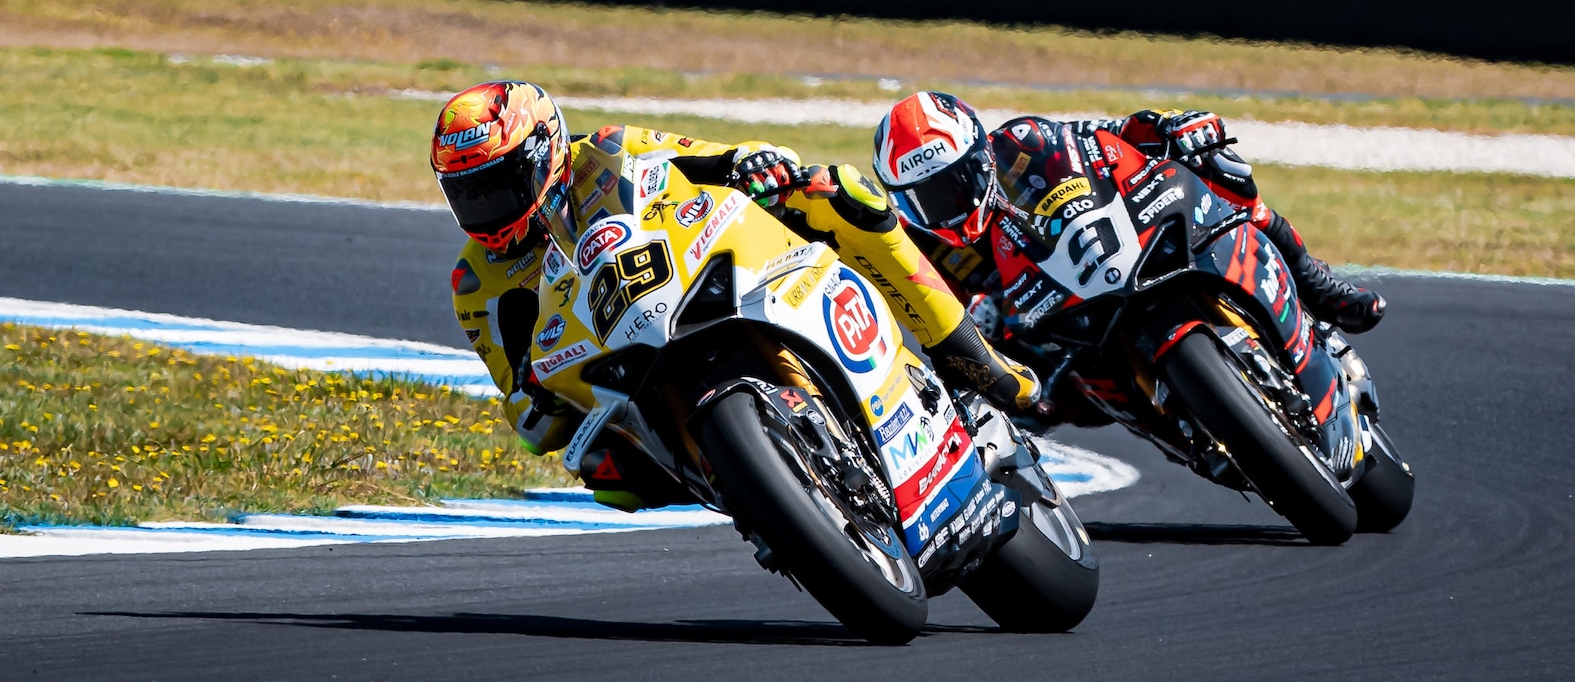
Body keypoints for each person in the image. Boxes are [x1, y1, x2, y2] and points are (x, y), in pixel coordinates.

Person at [431, 80, 1039, 510]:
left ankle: (973, 357)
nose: (485, 209)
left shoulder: (606, 150)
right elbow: (524, 414)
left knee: (841, 194)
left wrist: (757, 164)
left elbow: (709, 158)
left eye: (496, 186)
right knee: (610, 476)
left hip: (683, 275)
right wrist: (536, 395)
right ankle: (768, 500)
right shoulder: (475, 283)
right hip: (610, 366)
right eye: (468, 194)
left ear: (543, 154)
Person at [873, 90, 1384, 357]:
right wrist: (977, 328)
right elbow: (937, 320)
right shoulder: (925, 246)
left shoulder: (1021, 142)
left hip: (1111, 251)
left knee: (1215, 167)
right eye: (923, 197)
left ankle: (1316, 284)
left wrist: (1168, 126)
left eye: (951, 183)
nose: (944, 204)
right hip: (1053, 343)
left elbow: (1105, 136)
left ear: (979, 157)